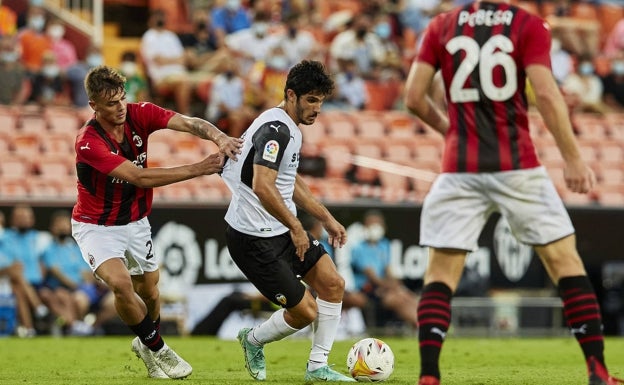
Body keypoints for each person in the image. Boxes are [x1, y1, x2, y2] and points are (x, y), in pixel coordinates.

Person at [404, 1, 622, 385]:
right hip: (517, 165)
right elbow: (547, 95)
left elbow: (414, 98)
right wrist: (573, 158)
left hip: (460, 170)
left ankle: (428, 376)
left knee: (440, 276)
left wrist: (450, 133)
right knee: (565, 263)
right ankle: (598, 371)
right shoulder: (526, 24)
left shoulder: (441, 25)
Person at [71, 65, 242, 379]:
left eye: (122, 99)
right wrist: (200, 167)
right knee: (122, 286)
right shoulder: (88, 142)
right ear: (94, 105)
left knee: (149, 291)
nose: (121, 107)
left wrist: (219, 137)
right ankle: (160, 349)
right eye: (111, 103)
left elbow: (188, 122)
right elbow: (139, 177)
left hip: (136, 222)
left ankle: (145, 346)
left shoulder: (140, 113)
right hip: (96, 226)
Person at [221, 60, 355, 382]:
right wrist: (298, 228)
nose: (317, 108)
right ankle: (252, 340)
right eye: (311, 99)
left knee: (334, 284)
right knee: (305, 311)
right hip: (253, 238)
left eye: (321, 101)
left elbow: (290, 182)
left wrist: (327, 218)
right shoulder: (276, 130)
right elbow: (262, 185)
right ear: (291, 95)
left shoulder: (288, 128)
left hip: (280, 228)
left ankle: (317, 368)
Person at [350, 210, 419, 329]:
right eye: (372, 224)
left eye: (379, 224)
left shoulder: (384, 245)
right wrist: (391, 287)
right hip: (367, 290)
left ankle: (425, 324)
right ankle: (419, 325)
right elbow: (372, 276)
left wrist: (396, 285)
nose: (376, 227)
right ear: (365, 226)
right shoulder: (359, 248)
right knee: (398, 299)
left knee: (407, 295)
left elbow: (388, 270)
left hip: (383, 289)